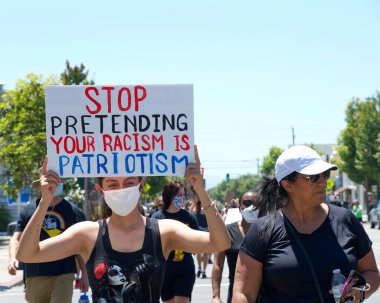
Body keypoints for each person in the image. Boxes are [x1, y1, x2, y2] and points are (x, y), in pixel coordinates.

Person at [16, 147, 230, 303]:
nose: (122, 189)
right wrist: (45, 201)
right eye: (113, 184)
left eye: (129, 183)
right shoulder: (87, 234)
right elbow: (27, 254)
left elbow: (219, 242)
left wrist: (201, 190)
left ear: (141, 186)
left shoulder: (164, 231)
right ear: (101, 191)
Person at [233, 145, 380, 303]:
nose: (323, 182)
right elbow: (243, 294)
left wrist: (359, 292)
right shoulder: (263, 229)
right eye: (314, 177)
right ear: (288, 184)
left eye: (325, 174)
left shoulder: (346, 220)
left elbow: (371, 272)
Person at [8, 179, 89, 303]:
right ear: (41, 184)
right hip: (35, 274)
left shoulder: (74, 211)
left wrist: (85, 273)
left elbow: (80, 246)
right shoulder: (27, 210)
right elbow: (16, 238)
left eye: (57, 180)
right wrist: (13, 258)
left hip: (64, 273)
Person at [152, 181, 199, 302]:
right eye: (179, 195)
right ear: (169, 196)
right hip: (164, 272)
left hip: (184, 269)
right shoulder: (156, 218)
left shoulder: (189, 217)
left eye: (184, 195)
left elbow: (197, 240)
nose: (183, 198)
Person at [211, 190, 258, 303]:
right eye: (247, 203)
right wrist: (215, 296)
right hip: (236, 295)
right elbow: (217, 264)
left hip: (264, 296)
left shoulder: (268, 231)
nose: (251, 207)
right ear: (240, 206)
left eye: (256, 204)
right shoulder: (227, 231)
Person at [192, 198, 210, 279]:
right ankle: (199, 268)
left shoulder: (207, 209)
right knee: (199, 252)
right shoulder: (196, 210)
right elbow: (190, 212)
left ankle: (204, 271)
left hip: (206, 232)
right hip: (198, 232)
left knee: (206, 253)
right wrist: (194, 202)